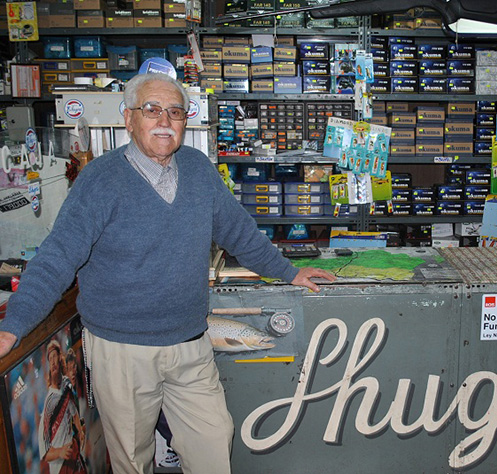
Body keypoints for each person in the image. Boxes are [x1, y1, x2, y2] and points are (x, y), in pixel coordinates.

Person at [0, 72, 336, 474]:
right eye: (152, 109)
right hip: (123, 350)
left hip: (190, 342)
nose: (164, 120)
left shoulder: (197, 169)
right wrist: (14, 325)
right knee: (133, 460)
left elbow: (240, 233)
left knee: (214, 441)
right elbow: (56, 258)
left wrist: (288, 272)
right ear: (129, 119)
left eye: (175, 112)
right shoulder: (100, 180)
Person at [38, 340, 86, 474]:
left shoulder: (66, 385)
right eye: (50, 359)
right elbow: (45, 453)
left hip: (75, 458)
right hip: (61, 468)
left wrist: (80, 431)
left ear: (60, 358)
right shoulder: (49, 404)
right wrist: (60, 452)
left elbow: (73, 412)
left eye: (54, 357)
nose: (53, 362)